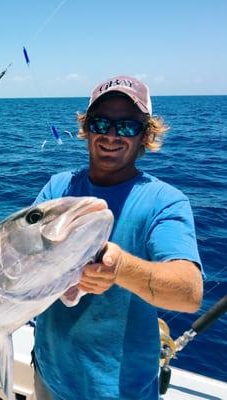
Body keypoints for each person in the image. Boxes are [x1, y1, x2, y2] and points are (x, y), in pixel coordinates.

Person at [32, 76, 204, 400]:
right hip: (48, 377)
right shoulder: (57, 189)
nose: (111, 135)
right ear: (87, 129)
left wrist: (120, 267)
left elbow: (189, 292)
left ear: (145, 135)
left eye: (127, 127)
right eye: (100, 123)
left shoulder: (164, 201)